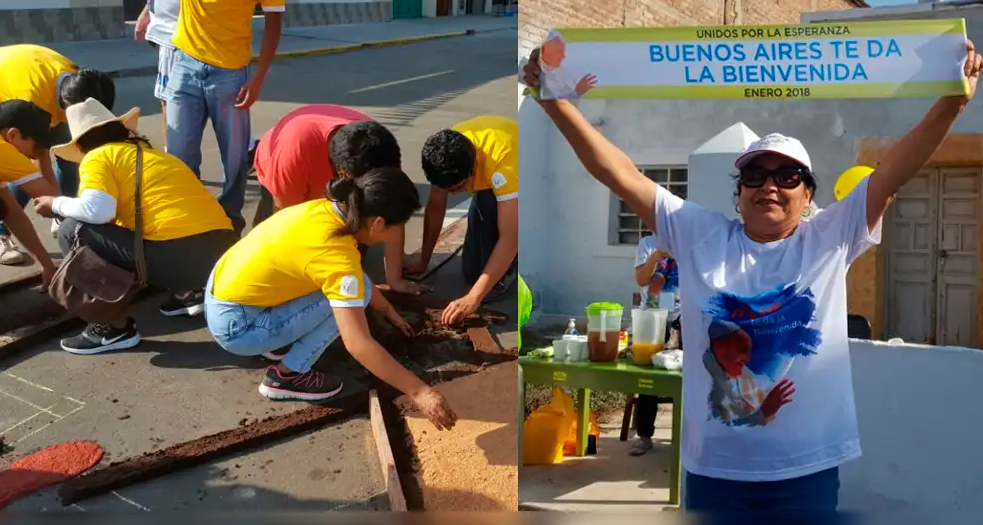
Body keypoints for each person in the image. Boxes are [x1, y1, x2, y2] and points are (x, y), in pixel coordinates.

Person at [524, 41, 983, 513]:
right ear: (739, 193)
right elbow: (619, 173)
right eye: (756, 175)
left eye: (788, 176)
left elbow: (893, 173)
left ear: (807, 196)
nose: (769, 184)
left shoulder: (828, 238)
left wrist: (954, 103)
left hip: (806, 470)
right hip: (714, 472)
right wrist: (552, 102)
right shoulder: (699, 233)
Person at [203, 167, 457, 430]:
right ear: (378, 223)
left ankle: (276, 338)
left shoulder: (326, 209)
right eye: (397, 228)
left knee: (355, 288)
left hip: (223, 295)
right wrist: (419, 391)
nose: (396, 236)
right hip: (239, 329)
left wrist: (387, 309)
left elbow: (349, 272)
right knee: (350, 299)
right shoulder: (337, 257)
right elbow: (357, 343)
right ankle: (287, 375)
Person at [33, 98, 237, 355]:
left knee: (73, 228)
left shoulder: (98, 156)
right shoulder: (155, 156)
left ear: (81, 145)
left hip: (179, 257)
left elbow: (97, 210)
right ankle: (189, 292)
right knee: (148, 227)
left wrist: (55, 204)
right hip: (221, 256)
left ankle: (112, 328)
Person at [165, 0, 285, 235]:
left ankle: (230, 223)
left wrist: (258, 79)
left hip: (230, 73)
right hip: (185, 63)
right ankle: (190, 221)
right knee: (180, 155)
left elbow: (274, 22)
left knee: (234, 160)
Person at [252, 103, 420, 294]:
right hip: (283, 169)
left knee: (346, 263)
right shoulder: (293, 155)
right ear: (344, 175)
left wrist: (395, 279)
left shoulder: (380, 150)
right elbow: (286, 224)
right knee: (272, 255)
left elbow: (395, 212)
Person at [0, 44, 115, 264]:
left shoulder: (77, 80)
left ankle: (65, 220)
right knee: (17, 169)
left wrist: (58, 205)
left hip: (24, 81)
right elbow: (34, 180)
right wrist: (50, 192)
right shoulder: (27, 102)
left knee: (68, 154)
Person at [411, 115, 519, 324]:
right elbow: (435, 206)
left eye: (457, 189)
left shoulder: (504, 168)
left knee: (487, 289)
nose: (451, 195)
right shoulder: (445, 157)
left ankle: (514, 267)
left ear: (473, 170)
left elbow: (510, 238)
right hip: (492, 177)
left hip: (526, 176)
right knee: (472, 274)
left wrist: (474, 297)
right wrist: (424, 259)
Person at [0, 100, 61, 285]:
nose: (34, 154)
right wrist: (43, 160)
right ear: (13, 135)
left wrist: (47, 265)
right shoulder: (1, 153)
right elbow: (55, 204)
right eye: (36, 146)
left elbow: (14, 214)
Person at [630, 236, 681, 457]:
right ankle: (644, 436)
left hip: (684, 315)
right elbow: (642, 280)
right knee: (648, 377)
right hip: (652, 316)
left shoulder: (688, 240)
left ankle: (686, 436)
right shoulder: (648, 244)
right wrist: (655, 258)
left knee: (689, 376)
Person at [134, 0, 186, 150]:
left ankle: (173, 155)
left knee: (169, 101)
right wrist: (147, 12)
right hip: (166, 34)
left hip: (175, 35)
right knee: (171, 100)